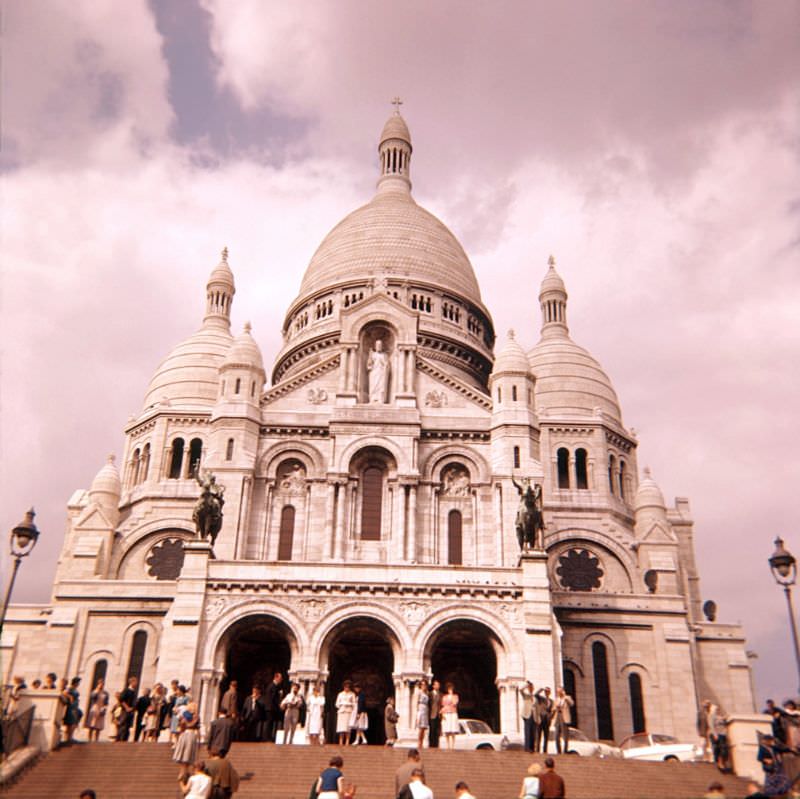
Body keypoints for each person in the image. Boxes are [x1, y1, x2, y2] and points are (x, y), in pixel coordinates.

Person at [174, 702, 201, 781]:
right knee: (188, 754)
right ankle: (186, 772)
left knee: (185, 754)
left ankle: (183, 772)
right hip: (191, 735)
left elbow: (182, 726)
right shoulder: (195, 716)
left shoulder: (185, 716)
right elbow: (196, 727)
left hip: (185, 734)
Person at [85, 678, 109, 742]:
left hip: (101, 708)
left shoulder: (105, 693)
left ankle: (96, 739)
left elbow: (106, 702)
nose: (101, 685)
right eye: (100, 684)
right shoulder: (95, 691)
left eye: (102, 684)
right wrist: (97, 690)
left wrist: (104, 709)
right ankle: (89, 739)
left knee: (98, 725)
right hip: (95, 707)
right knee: (92, 724)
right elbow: (92, 697)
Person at [367, 338, 390, 403]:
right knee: (373, 385)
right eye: (377, 345)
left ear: (382, 346)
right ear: (375, 346)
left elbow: (387, 364)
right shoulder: (372, 354)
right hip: (374, 372)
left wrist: (386, 365)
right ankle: (373, 398)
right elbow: (369, 365)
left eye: (380, 345)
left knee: (381, 386)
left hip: (381, 373)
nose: (379, 346)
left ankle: (380, 399)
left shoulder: (384, 355)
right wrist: (369, 356)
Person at [708, 703, 730, 772]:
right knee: (719, 750)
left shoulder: (718, 716)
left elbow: (723, 721)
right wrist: (715, 735)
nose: (717, 710)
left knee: (724, 750)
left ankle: (723, 764)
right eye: (716, 709)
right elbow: (711, 726)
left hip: (722, 734)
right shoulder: (711, 716)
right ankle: (720, 764)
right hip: (717, 735)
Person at [553, 687, 575, 754]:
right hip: (557, 717)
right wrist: (555, 707)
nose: (558, 692)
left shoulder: (567, 698)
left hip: (564, 717)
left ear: (562, 691)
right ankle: (558, 751)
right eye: (557, 691)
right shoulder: (556, 699)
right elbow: (553, 708)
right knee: (556, 736)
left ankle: (565, 750)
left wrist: (565, 697)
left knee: (565, 736)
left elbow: (572, 704)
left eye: (560, 691)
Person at [264, 672, 285, 743]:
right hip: (271, 708)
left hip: (271, 708)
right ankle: (267, 738)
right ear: (276, 678)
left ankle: (269, 737)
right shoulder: (273, 686)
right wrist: (280, 698)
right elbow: (273, 698)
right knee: (269, 723)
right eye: (280, 678)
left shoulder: (274, 686)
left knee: (271, 723)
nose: (281, 680)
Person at [336, 680, 356, 746]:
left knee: (348, 728)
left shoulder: (352, 694)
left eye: (348, 687)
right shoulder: (340, 694)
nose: (347, 688)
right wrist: (342, 704)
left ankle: (347, 742)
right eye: (345, 687)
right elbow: (337, 704)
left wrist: (349, 704)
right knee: (341, 728)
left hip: (348, 712)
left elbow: (354, 704)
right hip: (342, 711)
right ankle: (341, 742)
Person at [118, 676, 138, 742]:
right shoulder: (126, 690)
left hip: (131, 711)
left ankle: (125, 740)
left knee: (128, 726)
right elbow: (121, 699)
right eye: (135, 682)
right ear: (131, 682)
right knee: (123, 725)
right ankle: (120, 739)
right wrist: (127, 707)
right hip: (125, 711)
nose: (136, 683)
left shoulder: (134, 691)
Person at [440, 682, 459, 751]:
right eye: (449, 689)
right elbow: (443, 705)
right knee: (447, 730)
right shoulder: (444, 697)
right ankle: (448, 745)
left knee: (453, 730)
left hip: (453, 713)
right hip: (446, 713)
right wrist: (442, 713)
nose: (450, 690)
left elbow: (455, 703)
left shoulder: (455, 696)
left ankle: (452, 746)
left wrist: (451, 696)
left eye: (451, 689)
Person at [63, 677, 82, 743]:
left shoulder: (75, 689)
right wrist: (70, 697)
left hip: (75, 706)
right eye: (78, 682)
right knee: (70, 722)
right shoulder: (70, 688)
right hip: (71, 707)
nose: (78, 684)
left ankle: (70, 737)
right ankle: (68, 738)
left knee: (73, 722)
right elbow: (64, 693)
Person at [534, 687, 554, 753]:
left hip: (547, 720)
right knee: (538, 735)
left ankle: (545, 751)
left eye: (548, 691)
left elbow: (552, 710)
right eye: (546, 691)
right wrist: (541, 689)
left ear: (550, 692)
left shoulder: (551, 701)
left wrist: (551, 717)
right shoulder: (541, 699)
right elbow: (536, 694)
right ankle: (537, 750)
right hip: (541, 719)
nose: (547, 692)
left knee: (546, 736)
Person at [520, 681, 535, 753]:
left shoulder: (535, 697)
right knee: (527, 731)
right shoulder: (526, 696)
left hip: (533, 715)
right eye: (530, 687)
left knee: (532, 732)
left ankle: (532, 747)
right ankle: (527, 748)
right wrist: (526, 686)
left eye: (532, 687)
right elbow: (520, 690)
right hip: (527, 714)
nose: (531, 688)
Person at [415, 679, 430, 749]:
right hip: (421, 709)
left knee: (424, 728)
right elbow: (416, 702)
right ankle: (419, 742)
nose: (424, 686)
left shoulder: (427, 693)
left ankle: (422, 742)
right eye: (422, 685)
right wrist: (417, 712)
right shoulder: (419, 692)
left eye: (425, 685)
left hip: (425, 709)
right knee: (420, 727)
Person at [429, 680, 441, 749]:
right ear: (433, 686)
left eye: (438, 685)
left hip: (438, 714)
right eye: (436, 685)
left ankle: (436, 745)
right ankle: (431, 744)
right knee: (432, 730)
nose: (438, 686)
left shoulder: (440, 694)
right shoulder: (430, 694)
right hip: (432, 714)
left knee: (437, 730)